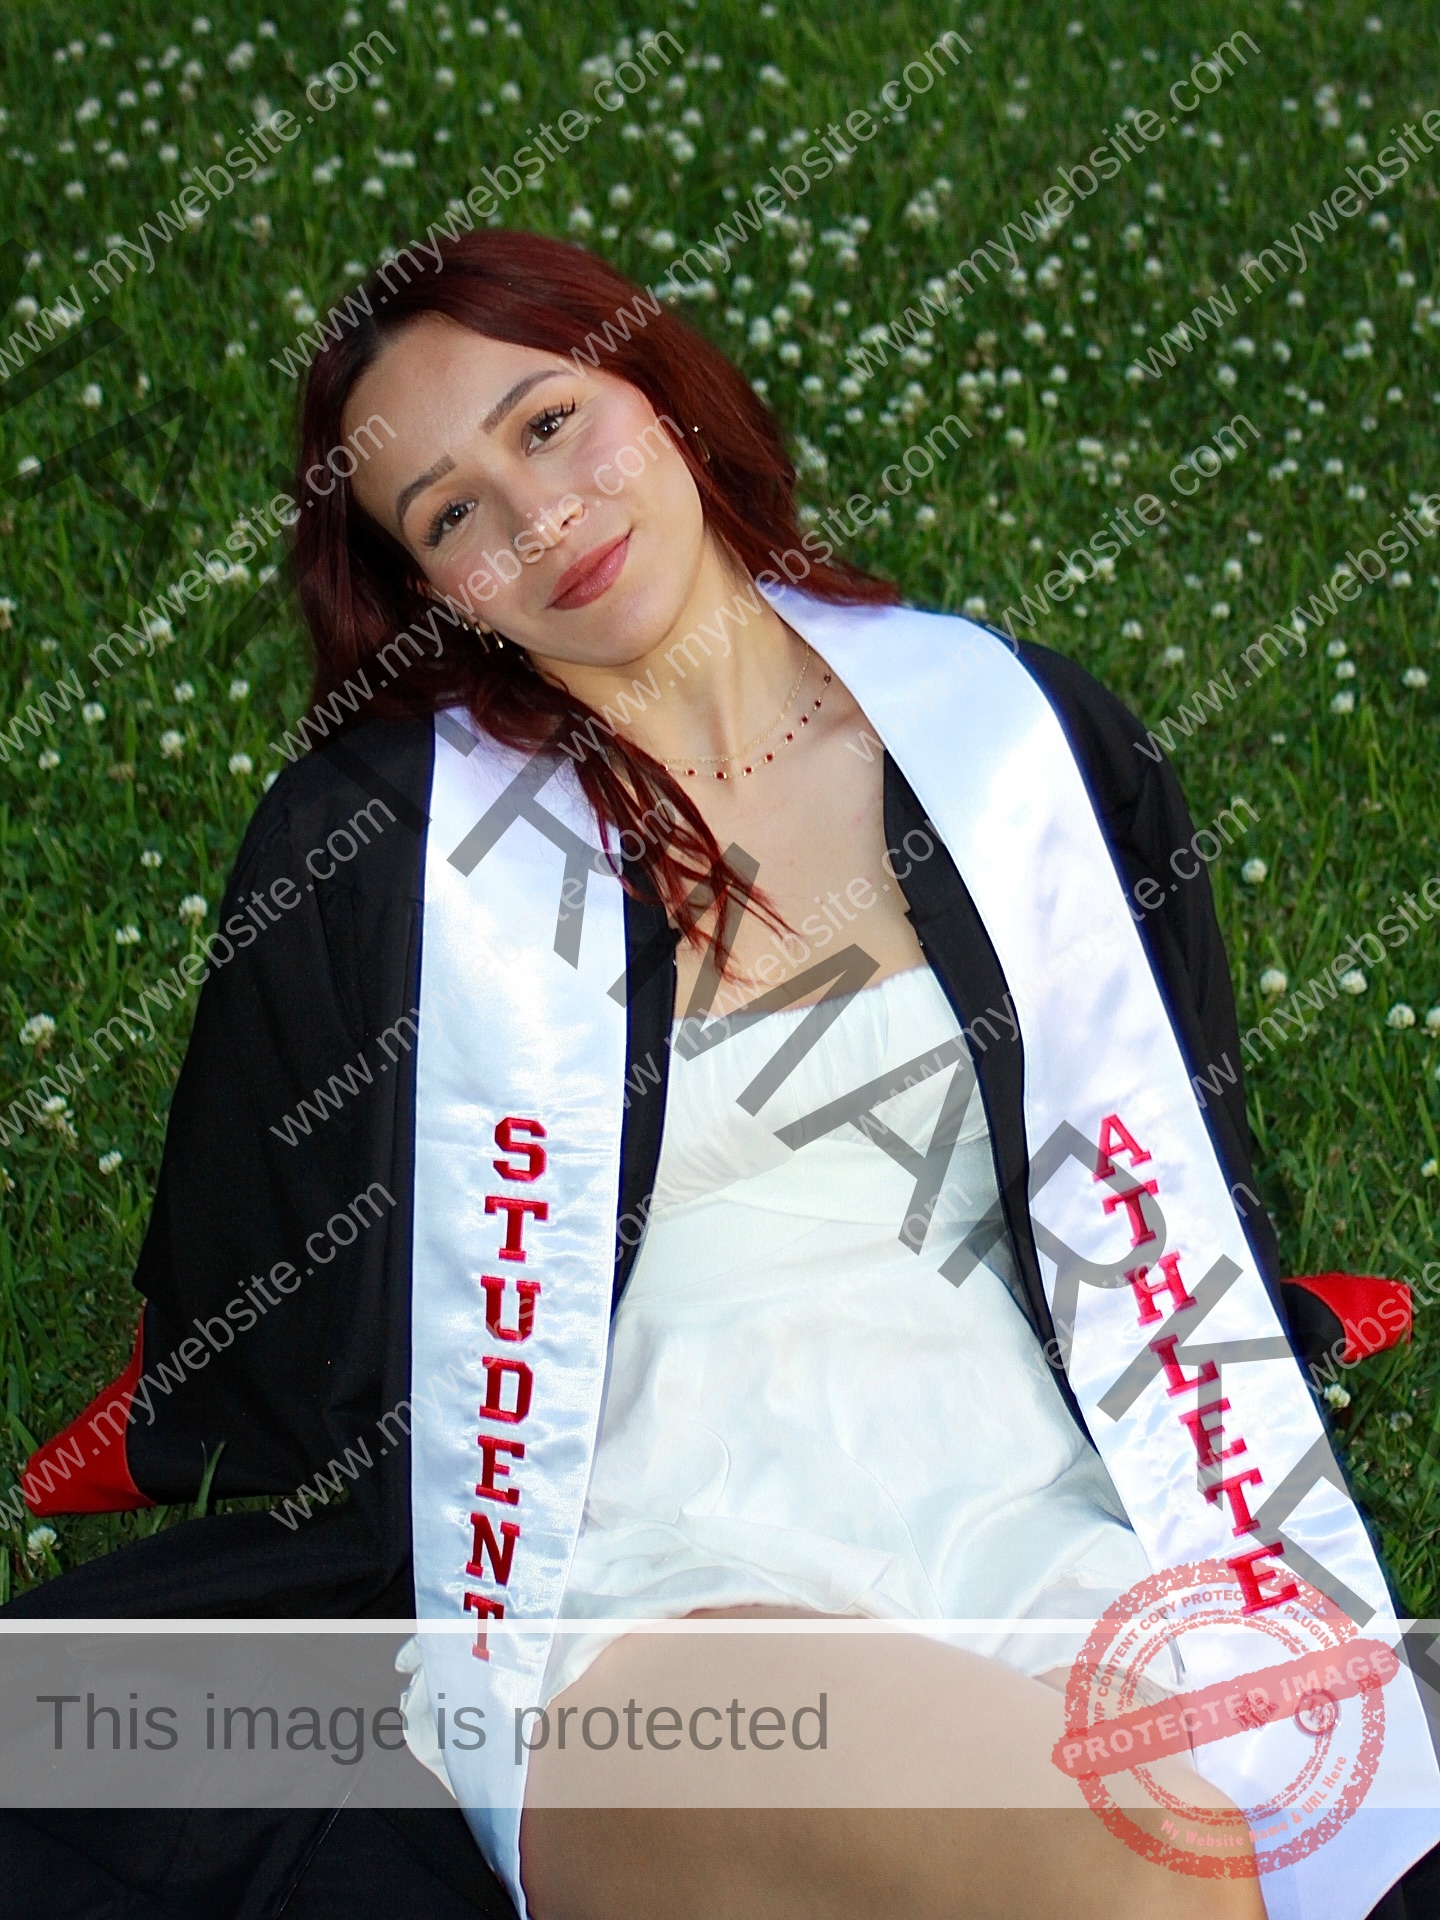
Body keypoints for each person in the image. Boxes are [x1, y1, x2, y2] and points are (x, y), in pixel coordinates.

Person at [5, 231, 1436, 1920]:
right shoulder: (391, 855)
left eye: (547, 424)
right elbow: (268, 1277)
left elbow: (1177, 1139)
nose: (534, 519)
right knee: (1146, 1861)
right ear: (419, 592)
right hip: (637, 1582)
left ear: (660, 390)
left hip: (1038, 1523)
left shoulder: (1017, 736)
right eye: (450, 514)